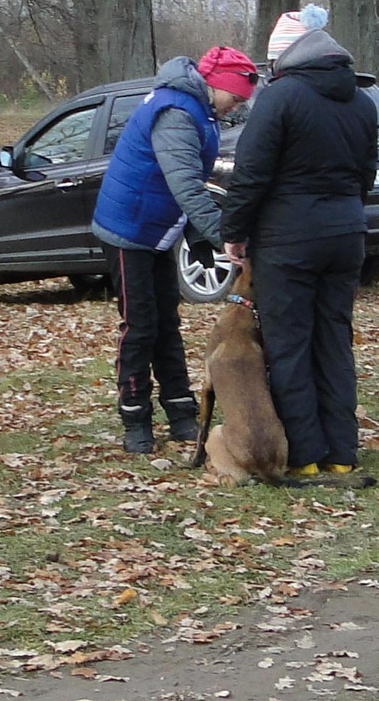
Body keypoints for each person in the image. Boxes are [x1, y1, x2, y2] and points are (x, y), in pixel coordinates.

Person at [219, 18, 378, 489]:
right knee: (334, 341)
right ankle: (342, 455)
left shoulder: (281, 98)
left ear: (285, 58)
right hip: (346, 235)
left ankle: (305, 456)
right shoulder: (363, 102)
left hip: (288, 240)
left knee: (290, 345)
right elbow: (365, 173)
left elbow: (251, 173)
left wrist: (235, 231)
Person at [91, 45, 260, 454]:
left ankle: (181, 413)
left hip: (157, 227)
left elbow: (194, 177)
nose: (237, 105)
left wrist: (198, 237)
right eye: (235, 96)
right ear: (215, 84)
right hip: (129, 227)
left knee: (167, 322)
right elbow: (185, 184)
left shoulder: (201, 111)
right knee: (140, 325)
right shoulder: (178, 113)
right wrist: (221, 235)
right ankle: (135, 417)